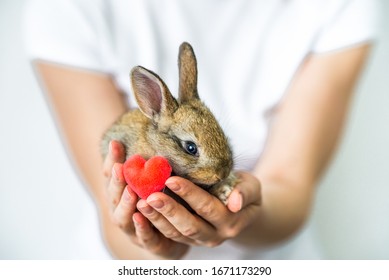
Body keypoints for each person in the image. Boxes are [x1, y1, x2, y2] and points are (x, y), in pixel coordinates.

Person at [23, 0, 378, 259]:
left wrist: (245, 212)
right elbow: (110, 212)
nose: (218, 170)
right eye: (192, 149)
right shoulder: (65, 8)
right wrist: (151, 242)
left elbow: (290, 184)